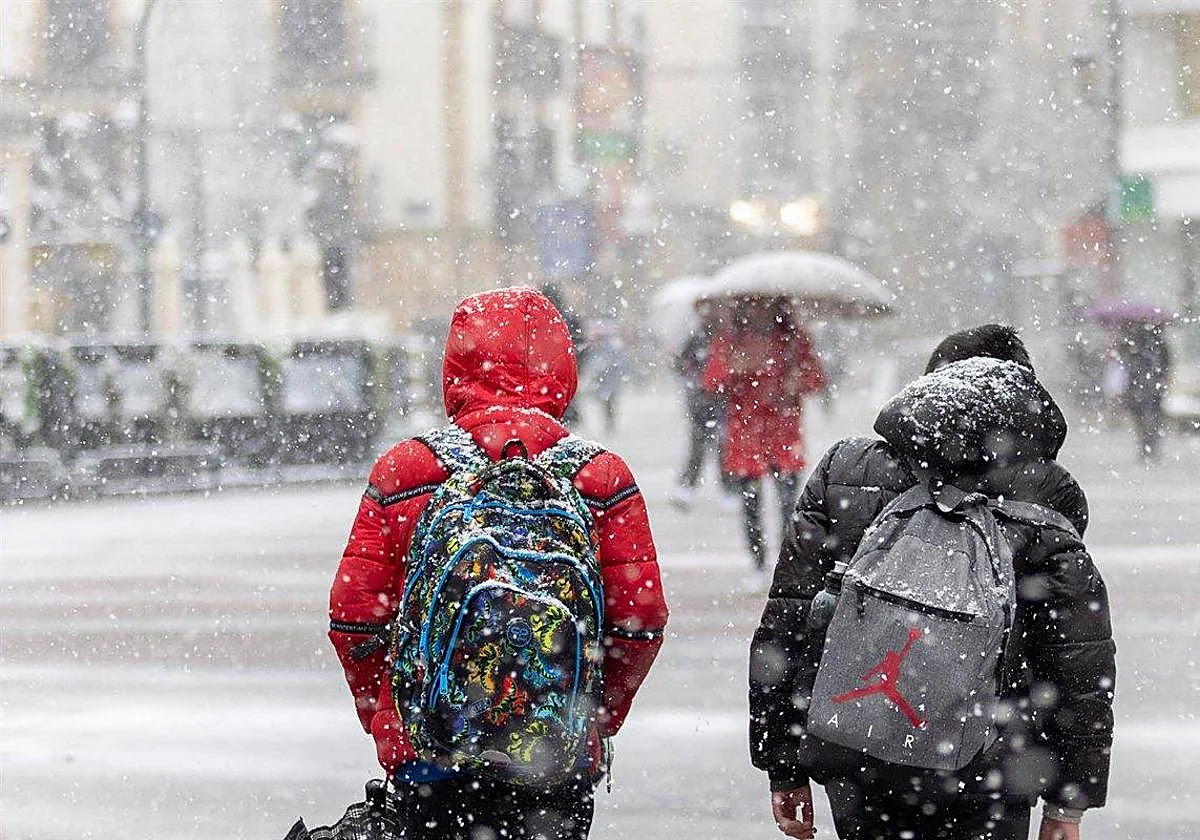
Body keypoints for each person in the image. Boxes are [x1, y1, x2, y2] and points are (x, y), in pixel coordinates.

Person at [749, 324, 1115, 840]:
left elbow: (788, 620)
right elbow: (1077, 659)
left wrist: (782, 764)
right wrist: (1067, 802)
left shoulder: (846, 470)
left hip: (859, 745)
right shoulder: (1045, 494)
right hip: (991, 763)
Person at [329, 287, 669, 840]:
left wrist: (391, 716)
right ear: (563, 367)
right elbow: (640, 621)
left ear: (455, 364)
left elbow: (354, 617)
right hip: (553, 761)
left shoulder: (407, 469)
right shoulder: (602, 477)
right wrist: (589, 716)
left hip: (431, 756)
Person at [702, 297, 827, 573]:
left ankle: (786, 561)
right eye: (754, 304)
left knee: (790, 507)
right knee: (751, 507)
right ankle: (758, 561)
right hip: (746, 438)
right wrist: (732, 369)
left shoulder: (794, 340)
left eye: (766, 304)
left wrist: (799, 381)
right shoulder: (731, 341)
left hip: (784, 437)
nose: (760, 310)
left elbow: (817, 378)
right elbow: (711, 381)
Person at [668, 302, 727, 510]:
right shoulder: (699, 337)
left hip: (717, 400)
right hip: (703, 400)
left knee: (717, 446)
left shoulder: (719, 337)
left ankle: (723, 488)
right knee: (702, 445)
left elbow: (680, 364)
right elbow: (680, 364)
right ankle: (690, 487)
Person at [1114, 321, 1170, 462]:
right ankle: (1150, 443)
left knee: (1141, 417)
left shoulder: (1132, 341)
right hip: (1152, 386)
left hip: (1138, 386)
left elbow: (1124, 361)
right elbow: (1166, 364)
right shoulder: (1158, 342)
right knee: (1152, 416)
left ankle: (1146, 443)